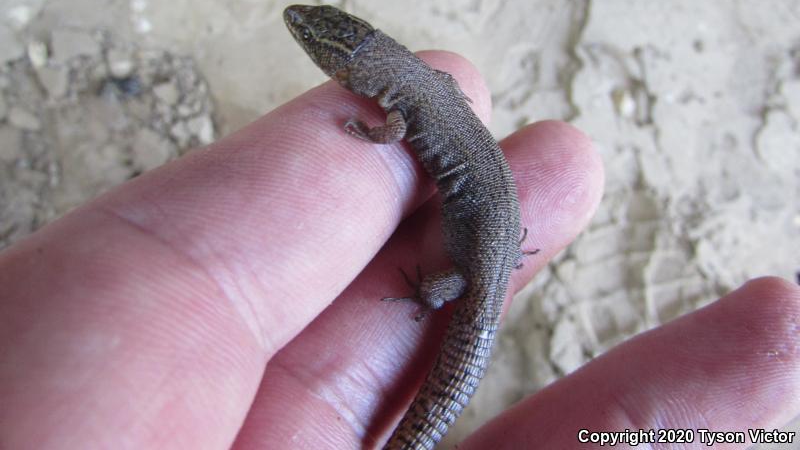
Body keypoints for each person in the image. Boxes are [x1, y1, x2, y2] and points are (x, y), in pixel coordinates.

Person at [1, 52, 798, 448]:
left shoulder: (399, 103)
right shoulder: (413, 81)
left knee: (439, 357)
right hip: (486, 248)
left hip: (473, 269)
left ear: (366, 75)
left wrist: (367, 137)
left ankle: (427, 353)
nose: (313, 50)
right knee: (460, 304)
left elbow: (396, 128)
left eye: (323, 48)